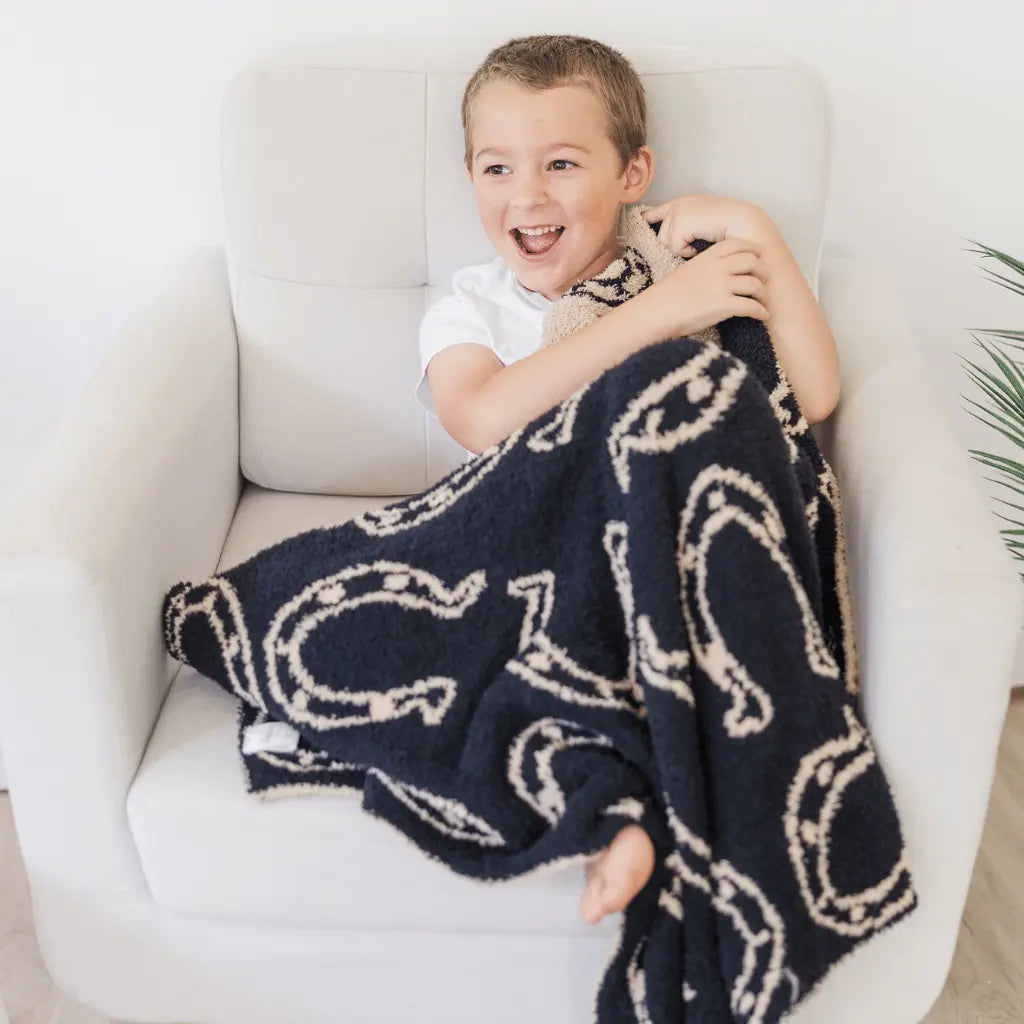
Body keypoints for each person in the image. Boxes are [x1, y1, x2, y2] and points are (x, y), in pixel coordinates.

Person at [414, 33, 840, 926]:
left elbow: (815, 393)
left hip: (678, 546)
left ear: (632, 172)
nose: (526, 195)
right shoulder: (470, 308)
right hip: (545, 553)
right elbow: (486, 418)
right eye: (496, 168)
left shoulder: (682, 268)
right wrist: (660, 316)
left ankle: (643, 812)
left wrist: (754, 233)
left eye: (561, 163)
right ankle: (627, 809)